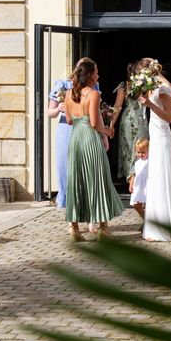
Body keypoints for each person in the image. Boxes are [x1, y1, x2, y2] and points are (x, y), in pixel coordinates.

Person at [64, 57, 124, 242]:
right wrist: (108, 131)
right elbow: (94, 122)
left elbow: (68, 120)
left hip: (75, 138)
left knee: (77, 180)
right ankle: (103, 229)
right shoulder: (93, 94)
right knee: (97, 178)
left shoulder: (68, 94)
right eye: (96, 72)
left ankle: (74, 229)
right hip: (89, 138)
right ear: (89, 75)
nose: (99, 75)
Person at [137, 58, 171, 241]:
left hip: (162, 135)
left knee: (162, 176)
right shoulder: (154, 85)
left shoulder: (164, 87)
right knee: (156, 178)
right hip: (155, 135)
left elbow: (169, 117)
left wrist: (149, 104)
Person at [48, 76, 106, 208]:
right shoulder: (62, 85)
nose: (97, 76)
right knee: (65, 166)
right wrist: (59, 109)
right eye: (95, 72)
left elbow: (97, 113)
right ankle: (68, 204)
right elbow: (50, 113)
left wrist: (104, 136)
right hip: (66, 130)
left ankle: (86, 203)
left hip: (86, 129)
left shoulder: (94, 86)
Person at [111, 60, 149, 181]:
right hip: (140, 120)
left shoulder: (124, 85)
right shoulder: (146, 84)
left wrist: (112, 124)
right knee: (140, 147)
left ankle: (132, 178)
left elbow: (117, 106)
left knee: (130, 149)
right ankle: (138, 177)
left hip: (128, 120)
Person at [128, 138, 149, 225]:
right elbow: (134, 173)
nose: (140, 154)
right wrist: (131, 184)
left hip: (147, 185)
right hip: (138, 186)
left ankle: (149, 222)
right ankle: (145, 218)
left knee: (148, 204)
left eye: (143, 152)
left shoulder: (150, 161)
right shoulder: (137, 162)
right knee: (137, 204)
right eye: (138, 152)